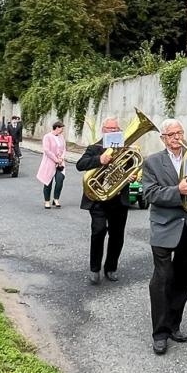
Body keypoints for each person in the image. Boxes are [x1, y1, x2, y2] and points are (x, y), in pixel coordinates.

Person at [141, 119, 187, 355]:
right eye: (171, 134)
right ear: (163, 138)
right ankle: (159, 333)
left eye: (179, 132)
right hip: (164, 226)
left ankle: (173, 324)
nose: (177, 137)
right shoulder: (152, 162)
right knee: (161, 280)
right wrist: (177, 191)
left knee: (182, 280)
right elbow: (149, 194)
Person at [76, 116, 129, 284]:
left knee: (117, 236)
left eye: (115, 129)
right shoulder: (94, 148)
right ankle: (95, 269)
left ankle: (111, 268)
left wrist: (131, 176)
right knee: (98, 232)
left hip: (118, 199)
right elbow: (80, 164)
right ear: (103, 130)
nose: (113, 131)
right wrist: (99, 160)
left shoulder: (125, 149)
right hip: (98, 200)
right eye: (109, 129)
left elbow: (131, 168)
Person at [37, 120, 67, 208]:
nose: (62, 130)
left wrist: (61, 158)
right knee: (48, 182)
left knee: (60, 180)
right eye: (61, 128)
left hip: (60, 163)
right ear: (57, 128)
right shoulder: (47, 137)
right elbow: (46, 150)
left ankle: (56, 199)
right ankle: (47, 201)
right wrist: (56, 159)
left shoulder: (61, 137)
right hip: (49, 162)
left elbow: (64, 148)